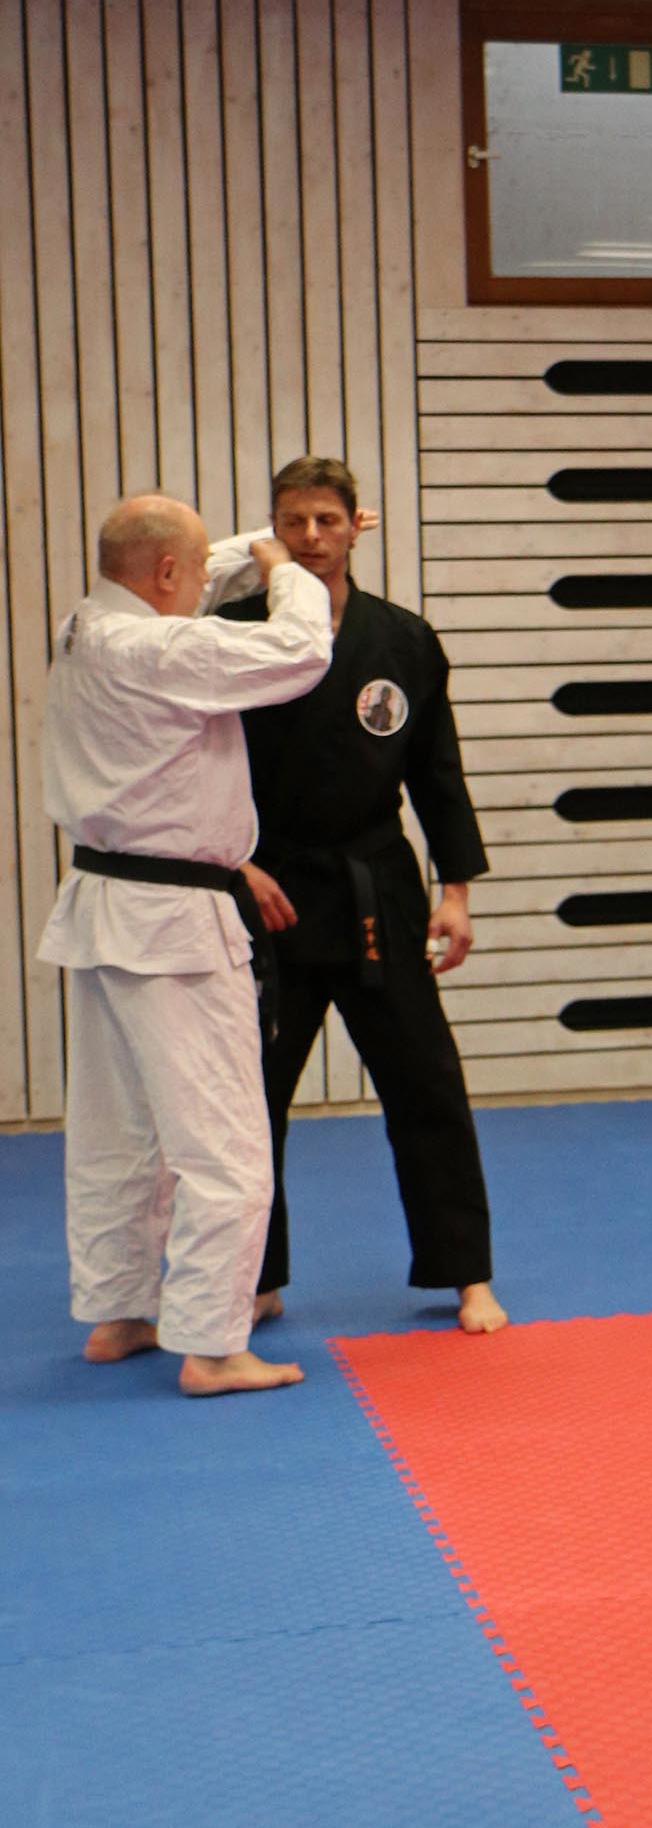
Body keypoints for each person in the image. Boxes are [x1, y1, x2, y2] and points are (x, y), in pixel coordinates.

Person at [38, 495, 333, 1396]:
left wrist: (260, 545)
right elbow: (301, 650)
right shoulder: (157, 650)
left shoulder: (83, 627)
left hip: (102, 908)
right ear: (166, 573)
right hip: (172, 925)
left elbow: (178, 574)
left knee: (117, 1132)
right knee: (227, 1144)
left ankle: (120, 1312)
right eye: (197, 570)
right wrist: (290, 570)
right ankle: (212, 1344)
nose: (207, 581)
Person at [218, 457, 506, 1337]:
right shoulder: (234, 632)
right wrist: (230, 865)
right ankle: (256, 1278)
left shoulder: (403, 640)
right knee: (252, 1097)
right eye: (293, 522)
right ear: (272, 529)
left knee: (427, 1083)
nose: (311, 537)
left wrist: (455, 891)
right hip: (268, 890)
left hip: (377, 886)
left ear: (356, 525)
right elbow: (198, 767)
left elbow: (438, 774)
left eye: (327, 520)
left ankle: (466, 1274)